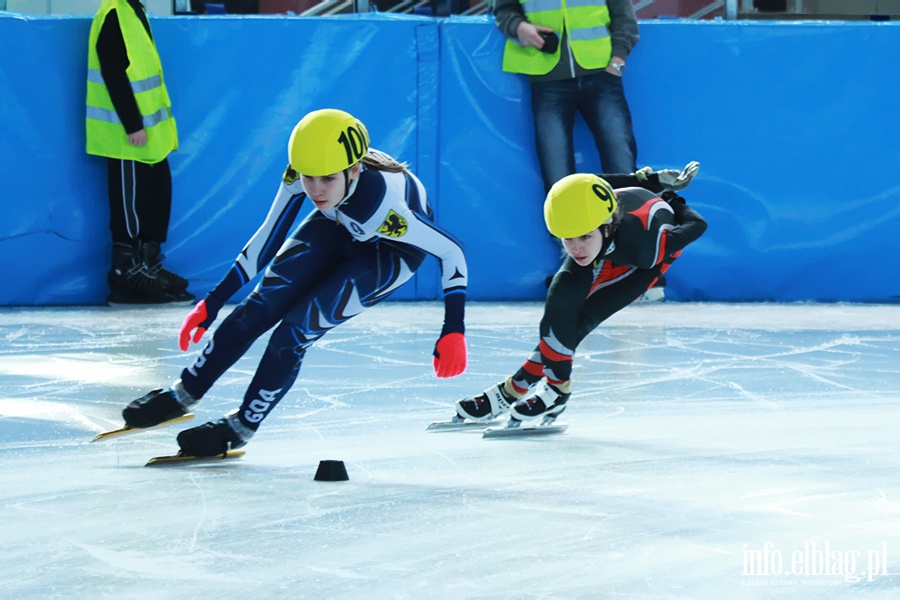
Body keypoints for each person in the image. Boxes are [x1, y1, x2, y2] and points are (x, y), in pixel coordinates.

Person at [119, 109, 469, 457]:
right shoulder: (307, 172)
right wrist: (212, 301)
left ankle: (243, 426)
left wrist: (453, 329)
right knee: (253, 310)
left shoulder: (386, 210)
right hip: (337, 224)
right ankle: (185, 392)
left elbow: (452, 252)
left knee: (293, 332)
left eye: (327, 179)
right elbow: (268, 236)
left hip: (388, 253)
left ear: (354, 170)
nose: (315, 190)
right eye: (308, 178)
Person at [454, 162, 706, 425]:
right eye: (567, 239)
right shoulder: (583, 229)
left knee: (581, 322)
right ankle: (547, 387)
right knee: (558, 305)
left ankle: (524, 390)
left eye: (583, 238)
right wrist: (649, 179)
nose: (575, 249)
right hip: (607, 240)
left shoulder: (647, 247)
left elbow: (698, 224)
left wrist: (672, 199)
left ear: (607, 226)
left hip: (643, 261)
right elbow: (586, 182)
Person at [492, 0, 669, 301]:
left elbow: (624, 18)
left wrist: (617, 60)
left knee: (626, 174)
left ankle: (637, 267)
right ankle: (577, 272)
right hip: (547, 79)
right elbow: (504, 10)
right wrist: (519, 27)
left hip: (602, 74)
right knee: (557, 180)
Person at [86, 0, 192, 305]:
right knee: (129, 209)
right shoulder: (115, 13)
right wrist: (133, 124)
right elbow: (113, 72)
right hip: (125, 136)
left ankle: (149, 264)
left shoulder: (135, 11)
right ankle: (126, 273)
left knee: (156, 198)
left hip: (149, 139)